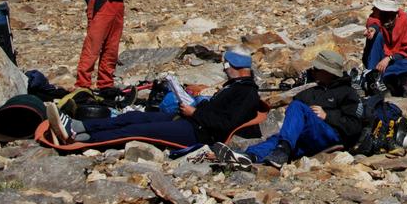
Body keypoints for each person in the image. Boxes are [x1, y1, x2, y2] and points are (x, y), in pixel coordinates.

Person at [46, 48, 260, 147]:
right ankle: (80, 125)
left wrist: (195, 112)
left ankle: (81, 138)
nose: (224, 69)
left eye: (227, 65)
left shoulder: (246, 93)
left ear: (237, 68)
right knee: (133, 118)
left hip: (198, 133)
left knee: (137, 131)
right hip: (190, 120)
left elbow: (226, 124)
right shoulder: (236, 86)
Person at [237, 50, 365, 167]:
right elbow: (294, 110)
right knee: (281, 139)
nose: (312, 71)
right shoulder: (311, 91)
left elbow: (354, 126)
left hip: (333, 137)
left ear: (328, 72)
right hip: (309, 139)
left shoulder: (348, 93)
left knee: (297, 110)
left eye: (316, 69)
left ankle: (281, 151)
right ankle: (250, 156)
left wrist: (327, 116)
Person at [362, 0, 407, 93]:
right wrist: (373, 28)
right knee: (378, 36)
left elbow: (406, 50)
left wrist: (389, 58)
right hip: (378, 59)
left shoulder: (406, 22)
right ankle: (371, 74)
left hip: (394, 60)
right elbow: (373, 20)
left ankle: (376, 76)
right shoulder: (379, 17)